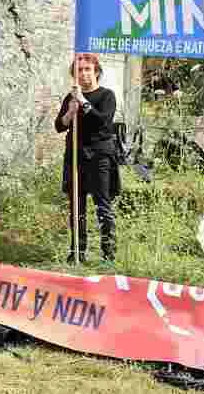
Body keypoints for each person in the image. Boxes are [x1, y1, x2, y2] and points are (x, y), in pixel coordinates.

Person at [54, 53, 120, 263]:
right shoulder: (70, 98)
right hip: (76, 157)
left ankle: (108, 254)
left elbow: (104, 122)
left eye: (87, 69)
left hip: (99, 156)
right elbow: (59, 126)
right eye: (79, 70)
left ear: (96, 72)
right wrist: (70, 113)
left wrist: (83, 101)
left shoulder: (106, 95)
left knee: (103, 205)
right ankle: (77, 252)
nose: (83, 74)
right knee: (76, 205)